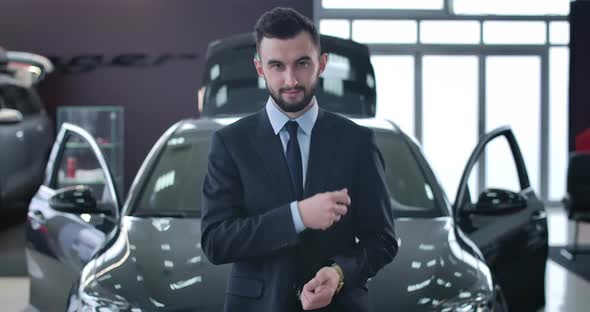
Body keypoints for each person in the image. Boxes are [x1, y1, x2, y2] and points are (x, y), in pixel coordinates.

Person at [201, 7, 397, 312]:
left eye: (302, 63)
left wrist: (339, 273)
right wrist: (297, 216)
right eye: (276, 65)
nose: (290, 79)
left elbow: (382, 240)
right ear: (259, 68)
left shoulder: (358, 142)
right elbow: (216, 241)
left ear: (321, 63)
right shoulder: (230, 143)